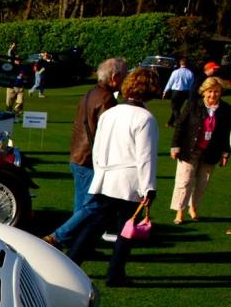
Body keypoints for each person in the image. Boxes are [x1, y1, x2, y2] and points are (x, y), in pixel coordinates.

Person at [65, 68, 160, 287]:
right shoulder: (145, 118)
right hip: (130, 181)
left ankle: (71, 263)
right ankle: (115, 274)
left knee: (94, 225)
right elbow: (145, 156)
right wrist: (149, 188)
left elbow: (97, 149)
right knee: (126, 229)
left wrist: (100, 172)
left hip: (107, 178)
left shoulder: (110, 113)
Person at [42, 58, 128, 249]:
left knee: (82, 207)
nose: (126, 80)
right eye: (124, 76)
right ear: (115, 77)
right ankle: (58, 238)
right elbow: (107, 134)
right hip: (90, 159)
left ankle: (75, 243)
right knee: (94, 205)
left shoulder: (90, 93)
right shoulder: (106, 99)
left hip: (78, 155)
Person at [168, 76, 231, 224]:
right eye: (209, 91)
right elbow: (180, 126)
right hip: (190, 150)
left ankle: (193, 207)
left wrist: (225, 153)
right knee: (184, 181)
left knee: (202, 183)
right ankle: (180, 212)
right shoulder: (192, 105)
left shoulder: (226, 109)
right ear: (203, 92)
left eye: (216, 91)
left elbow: (225, 132)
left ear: (220, 92)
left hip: (211, 151)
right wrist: (175, 146)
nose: (212, 95)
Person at [162, 57, 195, 127]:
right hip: (185, 92)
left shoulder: (175, 72)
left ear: (180, 63)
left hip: (176, 92)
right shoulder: (190, 73)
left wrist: (165, 91)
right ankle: (170, 123)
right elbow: (191, 85)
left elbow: (170, 82)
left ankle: (180, 122)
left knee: (174, 107)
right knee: (177, 108)